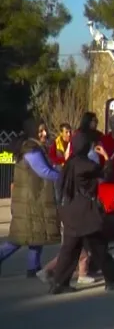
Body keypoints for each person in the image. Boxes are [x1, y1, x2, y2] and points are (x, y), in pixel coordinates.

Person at [50, 132, 114, 294]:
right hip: (85, 212)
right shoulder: (86, 164)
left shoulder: (69, 164)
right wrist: (106, 157)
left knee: (69, 249)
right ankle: (112, 279)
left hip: (69, 211)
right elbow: (107, 175)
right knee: (98, 246)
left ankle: (58, 283)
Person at [0, 119, 62, 279]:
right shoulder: (31, 150)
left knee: (36, 233)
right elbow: (44, 172)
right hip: (29, 201)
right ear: (33, 132)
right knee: (18, 238)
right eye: (41, 131)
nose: (45, 133)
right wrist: (63, 175)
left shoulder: (33, 148)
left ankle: (33, 266)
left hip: (33, 198)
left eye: (45, 130)